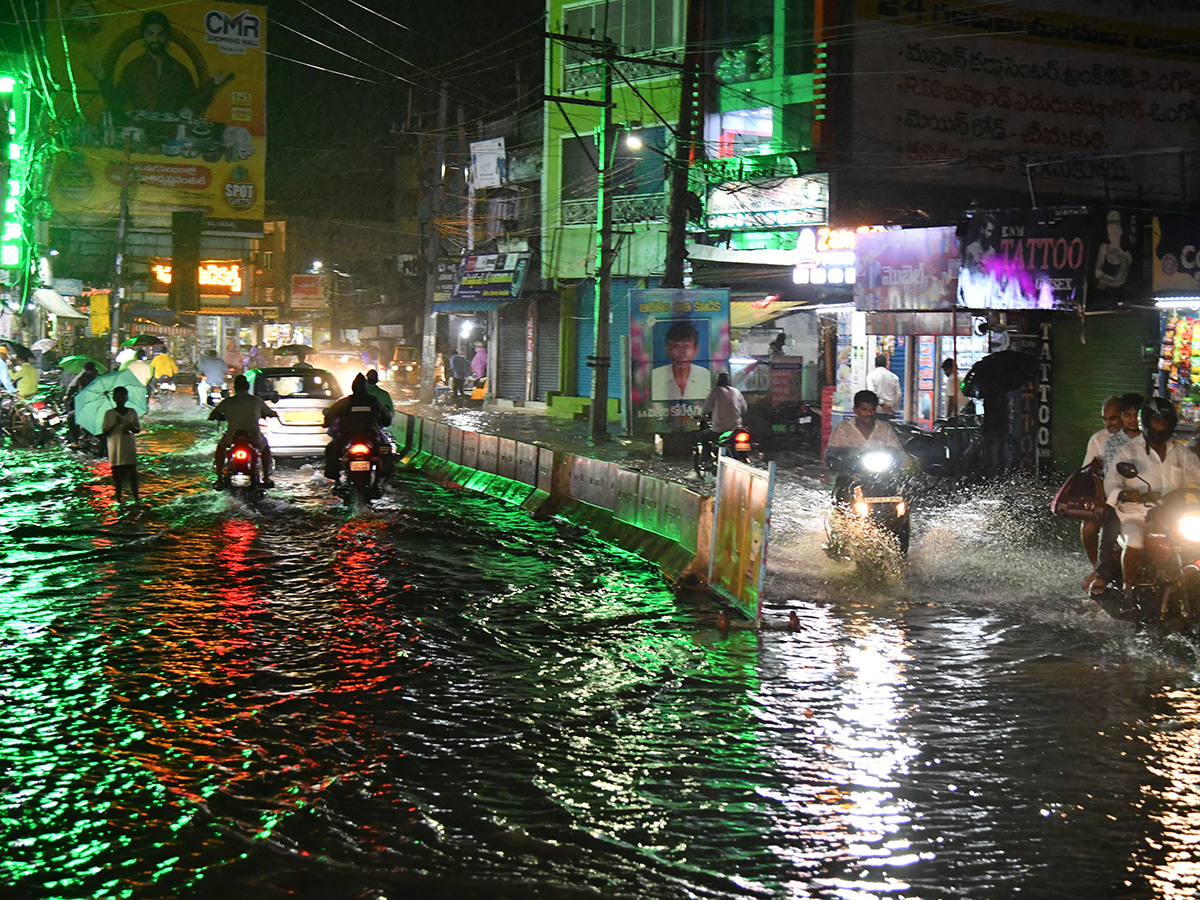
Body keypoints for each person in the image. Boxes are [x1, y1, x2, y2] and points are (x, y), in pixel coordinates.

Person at [1104, 398, 1200, 597]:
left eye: (1165, 422)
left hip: (1174, 515)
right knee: (1136, 539)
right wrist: (1123, 493)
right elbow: (1111, 482)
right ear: (1147, 422)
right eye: (1157, 421)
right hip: (1137, 514)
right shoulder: (1128, 451)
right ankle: (1130, 590)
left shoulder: (1181, 453)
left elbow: (1197, 478)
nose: (1161, 426)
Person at [90, 10, 232, 123]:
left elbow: (194, 101)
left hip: (171, 134)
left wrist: (213, 84)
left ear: (167, 36)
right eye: (150, 34)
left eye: (160, 34)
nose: (155, 39)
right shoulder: (133, 68)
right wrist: (103, 80)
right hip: (140, 131)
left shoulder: (179, 70)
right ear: (144, 35)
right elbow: (117, 101)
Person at [1079, 396, 1123, 591]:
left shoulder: (1140, 439)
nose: (1108, 424)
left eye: (1113, 418)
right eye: (1105, 419)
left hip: (1131, 499)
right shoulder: (1098, 439)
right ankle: (1099, 569)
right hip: (1104, 498)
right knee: (1088, 529)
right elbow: (1086, 473)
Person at [209, 374, 278, 488]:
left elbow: (213, 415)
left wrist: (217, 416)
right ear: (247, 387)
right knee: (265, 448)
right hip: (254, 436)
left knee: (220, 448)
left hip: (232, 436)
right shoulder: (256, 401)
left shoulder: (228, 402)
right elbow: (269, 412)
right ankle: (266, 478)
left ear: (235, 387)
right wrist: (272, 414)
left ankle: (219, 478)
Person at [323, 373, 392, 483]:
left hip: (347, 436)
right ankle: (379, 480)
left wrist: (326, 422)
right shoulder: (374, 401)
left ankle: (336, 480)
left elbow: (330, 415)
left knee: (332, 450)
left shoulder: (345, 402)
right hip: (372, 435)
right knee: (386, 449)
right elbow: (386, 418)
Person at [651, 320, 711, 401]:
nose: (682, 353)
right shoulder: (656, 376)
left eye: (686, 347)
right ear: (668, 350)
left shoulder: (705, 375)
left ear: (695, 350)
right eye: (677, 346)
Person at [101, 385, 141, 503]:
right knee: (117, 476)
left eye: (123, 397)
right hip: (115, 448)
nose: (121, 399)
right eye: (118, 397)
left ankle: (136, 498)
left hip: (128, 447)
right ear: (114, 398)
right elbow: (105, 432)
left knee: (132, 475)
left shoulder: (132, 412)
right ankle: (118, 499)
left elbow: (137, 430)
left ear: (126, 398)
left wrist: (130, 427)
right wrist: (115, 423)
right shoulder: (109, 414)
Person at [699, 372, 748, 445]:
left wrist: (703, 414)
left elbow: (706, 408)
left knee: (703, 436)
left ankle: (706, 456)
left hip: (720, 429)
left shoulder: (716, 391)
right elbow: (744, 409)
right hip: (736, 428)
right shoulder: (736, 391)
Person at [1094, 210, 1133, 289]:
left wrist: (1104, 280)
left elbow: (1120, 281)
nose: (1112, 237)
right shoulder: (1104, 248)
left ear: (1120, 232)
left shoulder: (1126, 256)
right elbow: (1097, 272)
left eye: (1115, 233)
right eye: (1109, 234)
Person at [64, 361, 101, 444]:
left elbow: (72, 386)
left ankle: (76, 441)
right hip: (99, 406)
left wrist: (67, 396)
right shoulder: (99, 377)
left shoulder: (83, 375)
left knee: (71, 417)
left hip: (86, 405)